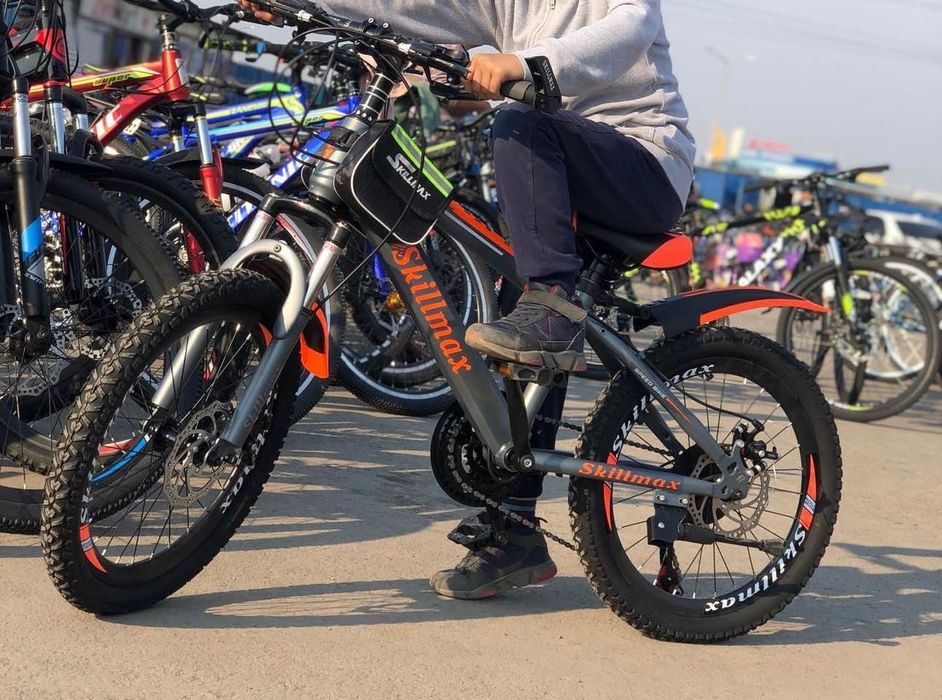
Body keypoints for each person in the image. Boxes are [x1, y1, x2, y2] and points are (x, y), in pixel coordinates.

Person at [238, 0, 695, 600]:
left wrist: (525, 65)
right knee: (520, 329)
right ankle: (515, 532)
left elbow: (628, 30)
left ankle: (551, 301)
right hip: (560, 167)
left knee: (520, 126)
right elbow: (415, 6)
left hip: (645, 164)